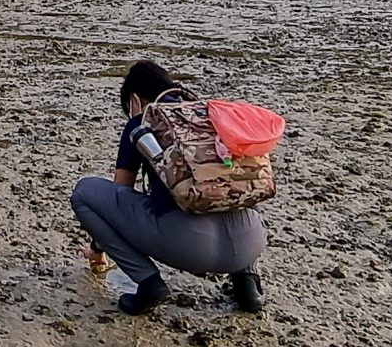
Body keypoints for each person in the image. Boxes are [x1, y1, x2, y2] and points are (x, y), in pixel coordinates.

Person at [71, 60, 267, 316]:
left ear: (134, 100)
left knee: (84, 192)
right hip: (252, 240)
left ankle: (148, 283)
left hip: (192, 248)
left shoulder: (141, 122)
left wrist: (98, 250)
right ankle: (247, 283)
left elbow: (119, 196)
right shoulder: (210, 115)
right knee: (233, 188)